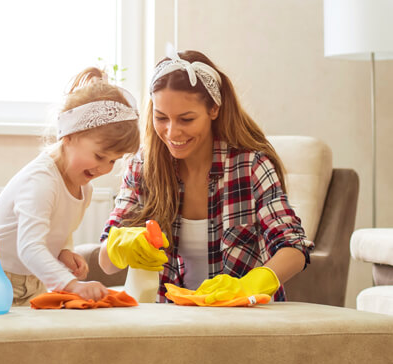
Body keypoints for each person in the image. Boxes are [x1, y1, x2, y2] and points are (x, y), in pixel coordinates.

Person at [98, 50, 313, 303]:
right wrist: (120, 245)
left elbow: (294, 247)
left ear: (214, 109)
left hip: (241, 319)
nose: (172, 132)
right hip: (169, 322)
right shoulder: (143, 167)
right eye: (161, 117)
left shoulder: (250, 166)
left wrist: (251, 285)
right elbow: (105, 263)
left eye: (186, 119)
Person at [0, 67, 141, 307]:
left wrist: (64, 251)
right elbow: (29, 247)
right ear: (69, 135)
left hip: (32, 278)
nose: (105, 168)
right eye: (99, 156)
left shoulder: (84, 187)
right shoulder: (41, 182)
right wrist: (72, 285)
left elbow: (58, 229)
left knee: (30, 342)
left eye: (113, 161)